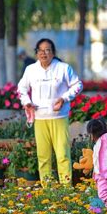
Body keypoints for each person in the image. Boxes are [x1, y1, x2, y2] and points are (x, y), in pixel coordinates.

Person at [17, 38, 83, 186]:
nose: (44, 53)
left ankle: (66, 188)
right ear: (36, 53)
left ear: (53, 53)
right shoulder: (31, 70)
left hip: (59, 117)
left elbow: (78, 85)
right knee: (43, 156)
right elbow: (21, 88)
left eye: (47, 50)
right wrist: (26, 102)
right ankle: (48, 189)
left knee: (62, 155)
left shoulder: (63, 68)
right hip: (40, 119)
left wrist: (64, 98)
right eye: (40, 50)